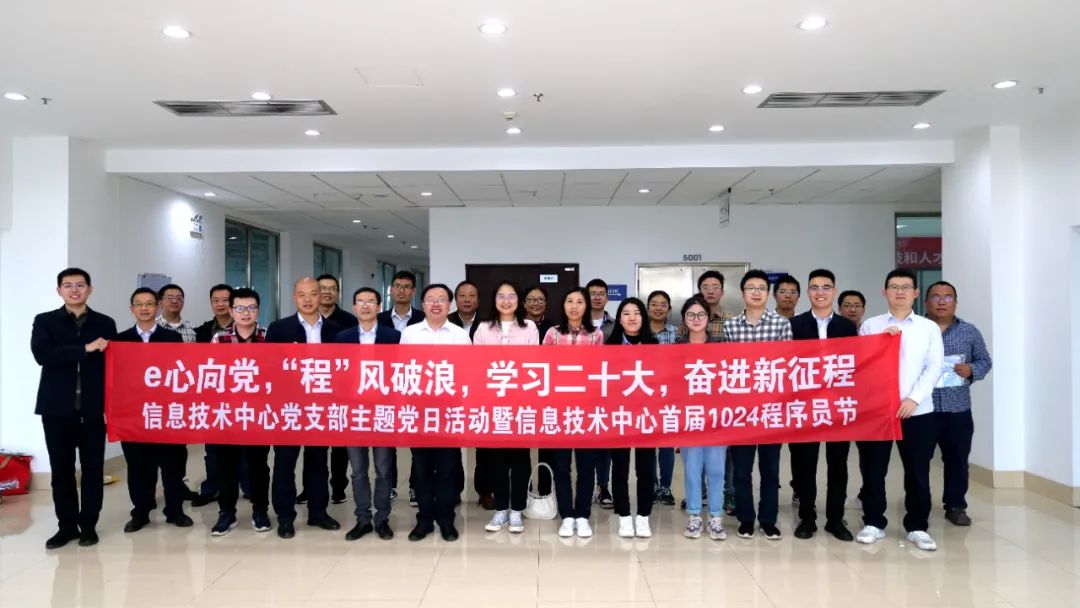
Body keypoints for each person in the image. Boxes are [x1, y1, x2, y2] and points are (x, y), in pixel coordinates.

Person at [856, 268, 944, 551]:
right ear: (885, 292)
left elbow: (934, 368)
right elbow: (861, 366)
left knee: (917, 470)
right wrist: (880, 341)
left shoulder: (928, 328)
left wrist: (913, 399)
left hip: (917, 411)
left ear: (916, 293)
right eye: (894, 287)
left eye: (906, 287)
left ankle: (917, 526)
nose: (900, 292)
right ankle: (873, 521)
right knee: (873, 469)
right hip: (878, 412)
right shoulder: (871, 326)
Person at [32, 268, 117, 549]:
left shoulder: (105, 323)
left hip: (93, 409)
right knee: (62, 470)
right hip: (56, 409)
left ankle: (89, 526)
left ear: (90, 289)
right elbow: (43, 355)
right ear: (59, 291)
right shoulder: (45, 321)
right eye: (67, 285)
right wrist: (85, 349)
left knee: (93, 469)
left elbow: (113, 364)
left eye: (80, 285)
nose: (74, 290)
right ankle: (66, 527)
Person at [265, 277, 342, 539]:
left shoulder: (334, 330)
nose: (308, 299)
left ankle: (318, 512)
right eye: (302, 294)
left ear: (321, 296)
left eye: (313, 294)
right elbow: (269, 368)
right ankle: (285, 517)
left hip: (321, 406)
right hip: (288, 407)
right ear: (294, 297)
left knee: (318, 461)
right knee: (285, 463)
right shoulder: (279, 329)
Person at [114, 288, 193, 533]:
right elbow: (116, 379)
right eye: (139, 304)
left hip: (167, 413)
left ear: (157, 307)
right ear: (132, 309)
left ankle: (175, 511)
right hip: (134, 415)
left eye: (149, 303)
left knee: (172, 465)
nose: (144, 308)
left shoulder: (172, 338)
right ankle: (140, 512)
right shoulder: (121, 340)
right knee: (138, 467)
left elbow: (179, 373)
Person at [788, 269, 857, 542]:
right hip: (805, 405)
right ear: (808, 292)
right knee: (805, 465)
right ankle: (807, 518)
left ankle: (835, 519)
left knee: (838, 465)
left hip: (838, 405)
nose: (820, 292)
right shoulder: (794, 325)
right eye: (815, 287)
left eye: (826, 287)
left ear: (834, 291)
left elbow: (858, 363)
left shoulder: (847, 327)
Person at [400, 283, 472, 542]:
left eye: (441, 299)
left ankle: (446, 519)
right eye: (430, 299)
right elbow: (403, 370)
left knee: (447, 468)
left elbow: (468, 372)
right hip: (419, 411)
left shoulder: (459, 335)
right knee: (421, 469)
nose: (436, 303)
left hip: (449, 411)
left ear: (449, 305)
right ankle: (424, 520)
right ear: (422, 305)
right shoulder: (410, 333)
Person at [723, 269, 792, 540]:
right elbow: (727, 368)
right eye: (750, 288)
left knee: (770, 470)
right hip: (741, 411)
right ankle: (746, 519)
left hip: (771, 409)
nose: (756, 292)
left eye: (761, 288)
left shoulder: (781, 324)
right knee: (741, 471)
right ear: (743, 293)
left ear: (768, 293)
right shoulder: (730, 326)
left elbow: (786, 366)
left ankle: (768, 519)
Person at [474, 281, 539, 534]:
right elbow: (477, 364)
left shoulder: (529, 327)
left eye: (511, 296)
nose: (506, 300)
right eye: (501, 296)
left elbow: (533, 362)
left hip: (521, 403)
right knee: (496, 459)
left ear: (518, 300)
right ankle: (501, 509)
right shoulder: (483, 328)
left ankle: (517, 510)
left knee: (520, 459)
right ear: (494, 300)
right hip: (492, 404)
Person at [925, 281, 992, 526]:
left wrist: (971, 369)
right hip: (922, 409)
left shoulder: (969, 331)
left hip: (957, 409)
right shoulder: (916, 329)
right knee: (918, 462)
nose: (942, 301)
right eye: (936, 296)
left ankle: (955, 506)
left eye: (948, 297)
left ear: (956, 302)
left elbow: (985, 360)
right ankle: (919, 505)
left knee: (957, 460)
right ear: (926, 302)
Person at [336, 287, 400, 541]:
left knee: (384, 469)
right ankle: (362, 519)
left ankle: (382, 518)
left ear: (379, 307)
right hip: (353, 412)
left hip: (383, 411)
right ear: (354, 307)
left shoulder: (393, 337)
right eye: (360, 301)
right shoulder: (343, 337)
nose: (365, 306)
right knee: (358, 470)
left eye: (370, 301)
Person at [208, 288, 273, 537]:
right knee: (226, 466)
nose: (246, 313)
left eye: (251, 308)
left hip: (259, 413)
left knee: (259, 466)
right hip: (228, 413)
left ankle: (260, 511)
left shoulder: (269, 336)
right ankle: (227, 513)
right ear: (231, 310)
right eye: (240, 308)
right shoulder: (219, 338)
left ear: (258, 310)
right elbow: (211, 373)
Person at [543, 287, 605, 538]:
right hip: (559, 410)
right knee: (561, 467)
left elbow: (598, 371)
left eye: (580, 301)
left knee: (586, 467)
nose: (574, 306)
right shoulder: (553, 334)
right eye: (570, 301)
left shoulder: (596, 335)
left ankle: (583, 515)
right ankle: (567, 516)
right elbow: (544, 368)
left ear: (586, 306)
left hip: (586, 410)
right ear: (563, 305)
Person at [606, 297, 658, 538]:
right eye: (626, 313)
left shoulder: (654, 345)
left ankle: (644, 516)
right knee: (620, 468)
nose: (632, 318)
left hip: (646, 416)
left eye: (636, 313)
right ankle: (624, 516)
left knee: (646, 469)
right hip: (619, 415)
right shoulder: (610, 346)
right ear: (619, 319)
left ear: (643, 317)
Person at [677, 296, 727, 540]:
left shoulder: (721, 346)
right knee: (692, 470)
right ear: (684, 319)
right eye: (691, 315)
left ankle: (716, 517)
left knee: (716, 470)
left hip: (716, 419)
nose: (696, 319)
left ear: (708, 318)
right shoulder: (676, 349)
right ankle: (695, 516)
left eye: (701, 315)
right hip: (689, 419)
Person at [377, 270, 425, 504]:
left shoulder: (423, 319)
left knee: (417, 439)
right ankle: (390, 484)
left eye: (406, 287)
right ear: (391, 290)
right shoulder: (379, 319)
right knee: (388, 439)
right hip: (385, 385)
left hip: (415, 384)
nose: (401, 290)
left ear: (413, 291)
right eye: (397, 286)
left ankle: (416, 485)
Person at [193, 283, 241, 508]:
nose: (220, 304)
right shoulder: (201, 332)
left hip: (241, 397)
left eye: (225, 300)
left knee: (244, 446)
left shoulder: (245, 328)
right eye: (216, 300)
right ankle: (211, 488)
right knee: (212, 448)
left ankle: (247, 487)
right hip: (211, 398)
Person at [315, 274, 357, 506]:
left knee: (340, 443)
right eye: (323, 288)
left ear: (338, 293)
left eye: (332, 288)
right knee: (316, 443)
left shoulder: (349, 320)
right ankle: (313, 488)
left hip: (342, 388)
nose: (327, 292)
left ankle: (338, 486)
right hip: (314, 388)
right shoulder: (308, 319)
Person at [523, 284, 556, 495]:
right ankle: (523, 488)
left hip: (547, 393)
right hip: (521, 391)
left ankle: (545, 490)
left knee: (547, 444)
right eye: (531, 299)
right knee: (521, 444)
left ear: (546, 303)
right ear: (524, 303)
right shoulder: (517, 327)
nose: (536, 303)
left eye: (540, 299)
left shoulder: (554, 329)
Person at [646, 290, 677, 506]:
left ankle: (665, 487)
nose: (658, 308)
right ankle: (651, 485)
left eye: (663, 304)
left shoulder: (677, 333)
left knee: (666, 446)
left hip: (669, 397)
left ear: (669, 309)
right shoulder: (640, 332)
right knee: (648, 446)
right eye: (654, 304)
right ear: (648, 308)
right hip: (645, 397)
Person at [676, 270, 736, 341]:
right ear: (699, 291)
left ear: (722, 292)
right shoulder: (689, 319)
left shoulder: (731, 320)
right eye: (705, 288)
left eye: (715, 287)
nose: (710, 291)